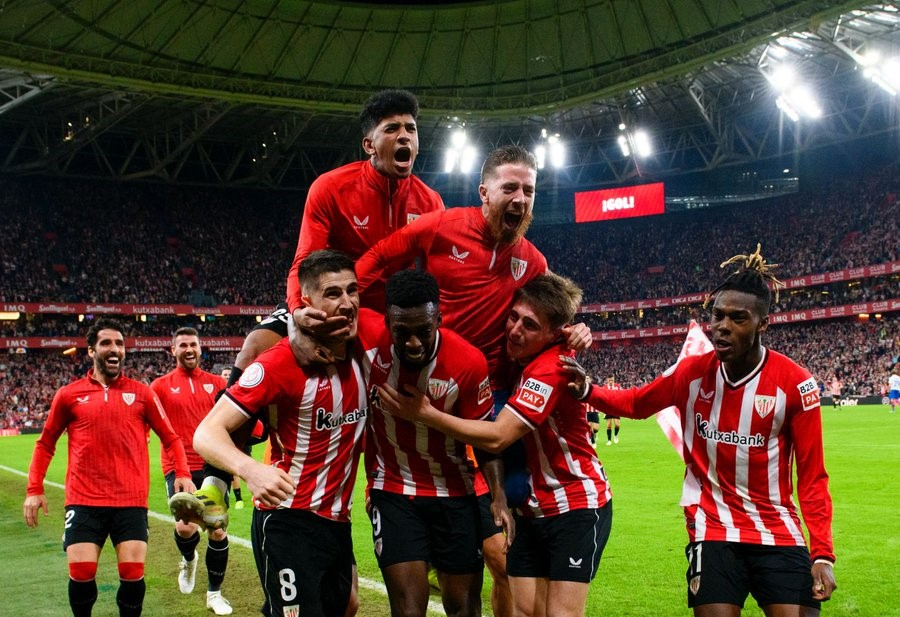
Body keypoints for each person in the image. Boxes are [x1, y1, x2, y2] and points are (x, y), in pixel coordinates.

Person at [354, 144, 592, 617]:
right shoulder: (440, 226)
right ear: (484, 192)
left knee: (505, 557)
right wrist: (344, 314)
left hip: (491, 402)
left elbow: (547, 316)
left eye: (529, 190)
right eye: (510, 188)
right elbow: (378, 257)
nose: (520, 198)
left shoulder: (533, 261)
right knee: (473, 561)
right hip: (424, 379)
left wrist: (575, 329)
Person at [561, 245, 837, 616]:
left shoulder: (795, 384)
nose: (722, 326)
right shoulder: (691, 373)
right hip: (714, 526)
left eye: (738, 318)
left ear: (762, 324)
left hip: (777, 529)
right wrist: (588, 391)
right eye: (718, 316)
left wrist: (822, 553)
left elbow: (812, 476)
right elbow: (637, 403)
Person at [378, 273, 613, 617]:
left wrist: (425, 413)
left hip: (574, 503)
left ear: (554, 333)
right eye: (514, 317)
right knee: (520, 611)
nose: (515, 329)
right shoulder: (522, 362)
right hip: (533, 508)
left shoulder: (551, 368)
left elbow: (499, 435)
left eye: (530, 325)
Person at [193, 250, 372, 617]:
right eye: (333, 293)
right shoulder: (277, 364)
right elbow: (207, 433)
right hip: (288, 520)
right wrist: (251, 470)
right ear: (305, 304)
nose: (347, 302)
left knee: (345, 607)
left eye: (352, 291)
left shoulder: (364, 356)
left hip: (338, 522)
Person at [23, 318, 195, 617]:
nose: (114, 349)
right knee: (82, 573)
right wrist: (34, 488)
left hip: (129, 501)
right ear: (91, 350)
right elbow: (45, 443)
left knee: (132, 575)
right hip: (83, 500)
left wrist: (182, 472)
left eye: (119, 344)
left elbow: (171, 437)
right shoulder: (69, 394)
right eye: (106, 343)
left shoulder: (142, 393)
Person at [363, 269, 506, 617]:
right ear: (387, 322)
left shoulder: (468, 362)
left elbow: (485, 438)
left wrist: (498, 495)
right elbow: (306, 317)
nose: (413, 342)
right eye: (402, 332)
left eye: (424, 331)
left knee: (463, 607)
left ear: (439, 319)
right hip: (393, 489)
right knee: (409, 608)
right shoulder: (363, 337)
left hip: (454, 493)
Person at [286, 88, 445, 319]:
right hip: (340, 310)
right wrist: (298, 310)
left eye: (411, 128)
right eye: (392, 128)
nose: (404, 136)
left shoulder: (431, 202)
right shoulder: (330, 188)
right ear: (369, 145)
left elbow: (437, 274)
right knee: (254, 347)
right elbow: (305, 262)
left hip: (398, 318)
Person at [150, 328, 232, 615]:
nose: (189, 349)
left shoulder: (216, 383)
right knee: (185, 528)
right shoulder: (159, 386)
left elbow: (231, 423)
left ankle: (214, 595)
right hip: (178, 467)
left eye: (193, 344)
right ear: (173, 350)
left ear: (200, 348)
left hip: (212, 465)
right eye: (182, 345)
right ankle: (188, 559)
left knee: (217, 530)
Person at [602, 376, 622, 445]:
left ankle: (616, 435)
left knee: (617, 425)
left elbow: (621, 395)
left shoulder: (617, 386)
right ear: (607, 380)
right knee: (608, 425)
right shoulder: (604, 387)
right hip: (608, 408)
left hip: (616, 407)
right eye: (609, 380)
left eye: (612, 380)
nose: (611, 382)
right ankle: (609, 440)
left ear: (614, 380)